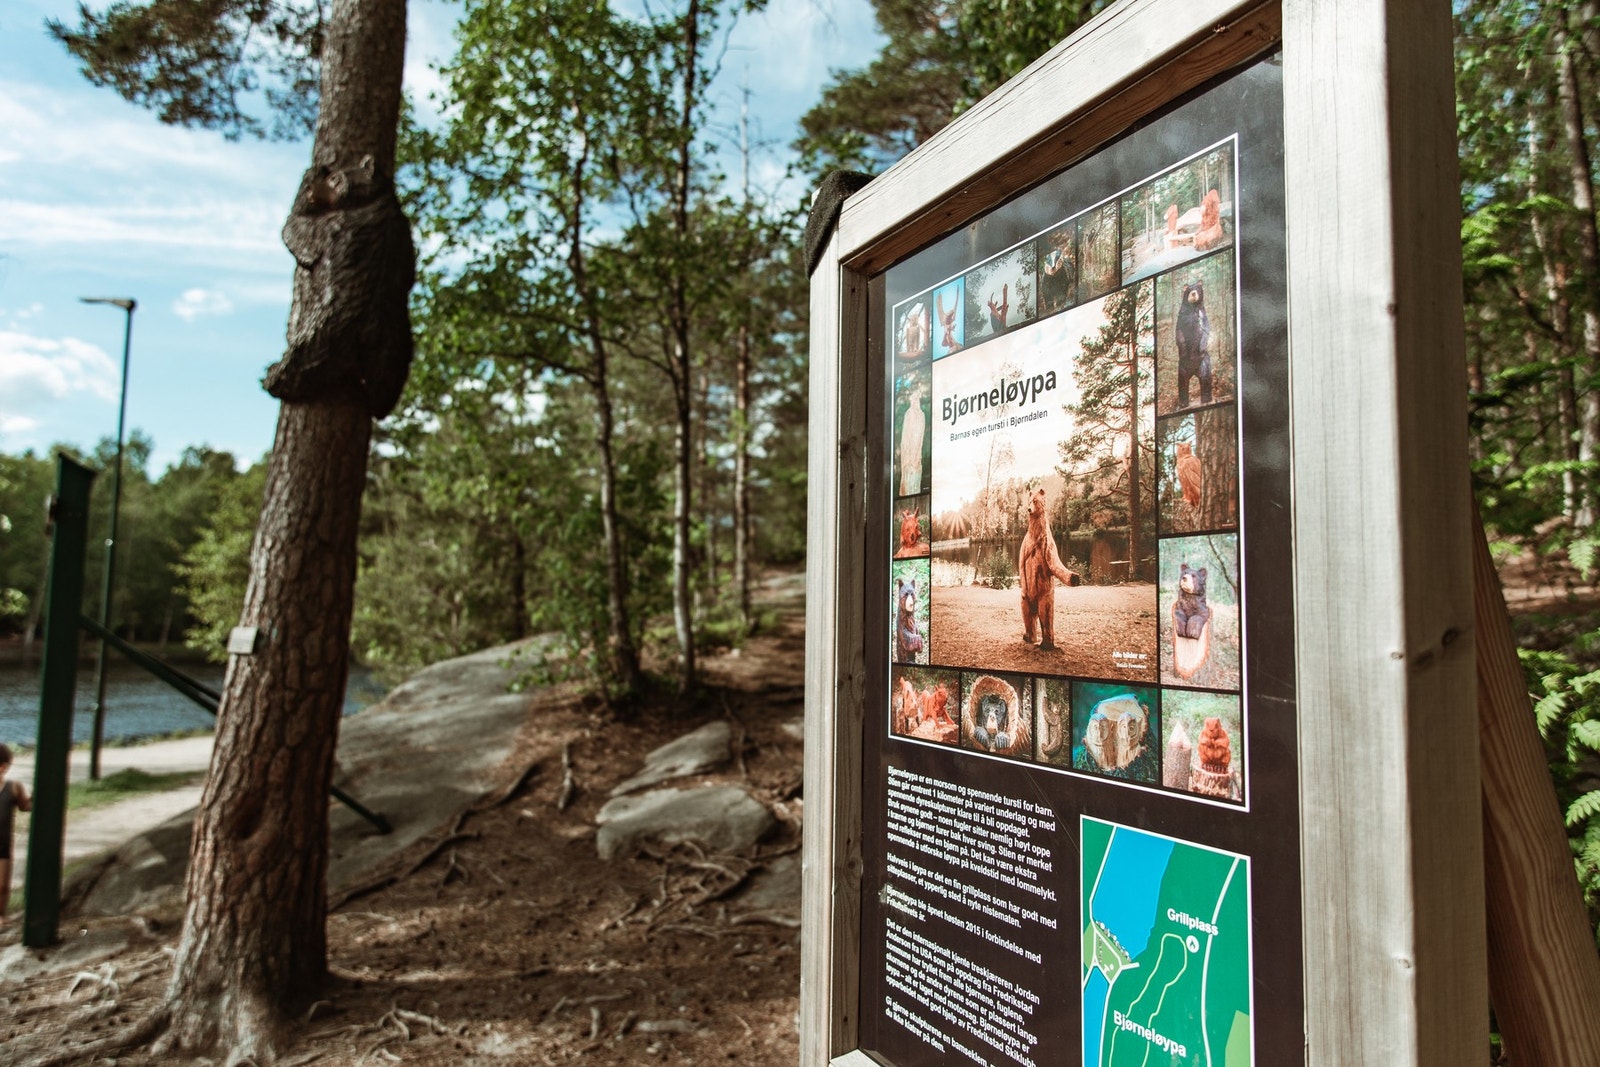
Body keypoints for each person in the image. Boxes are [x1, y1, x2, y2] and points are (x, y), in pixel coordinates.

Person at [0, 742, 32, 923]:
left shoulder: (13, 787)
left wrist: (35, 798)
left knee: (3, 885)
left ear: (3, 767)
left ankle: (1, 914)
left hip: (3, 844)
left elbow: (25, 806)